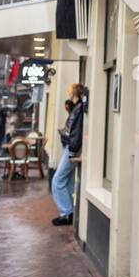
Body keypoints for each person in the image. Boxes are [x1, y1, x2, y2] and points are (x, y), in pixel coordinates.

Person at [51, 83, 86, 226]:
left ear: (75, 93)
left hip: (71, 149)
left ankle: (66, 213)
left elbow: (76, 132)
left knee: (57, 181)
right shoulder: (77, 108)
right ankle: (70, 211)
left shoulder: (79, 110)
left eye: (70, 91)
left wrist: (72, 152)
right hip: (71, 147)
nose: (69, 93)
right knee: (68, 182)